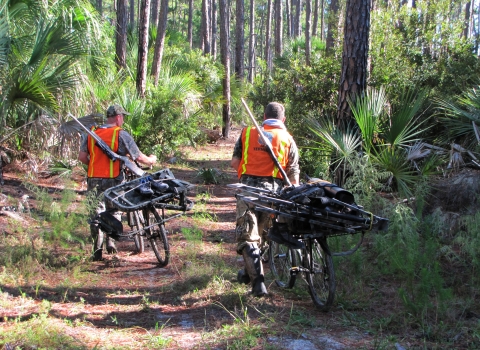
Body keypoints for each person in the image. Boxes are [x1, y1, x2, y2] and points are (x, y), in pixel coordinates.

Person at [230, 102, 300, 297]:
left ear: (263, 116)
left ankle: (258, 284)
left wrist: (248, 173)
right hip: (273, 196)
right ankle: (249, 274)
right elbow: (293, 175)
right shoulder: (288, 139)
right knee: (261, 235)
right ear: (283, 119)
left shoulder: (247, 133)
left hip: (248, 191)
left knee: (248, 237)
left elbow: (235, 162)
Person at [78, 104, 157, 261]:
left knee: (96, 213)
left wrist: (96, 164)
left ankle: (97, 248)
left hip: (94, 178)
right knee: (114, 210)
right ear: (119, 117)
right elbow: (138, 157)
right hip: (114, 178)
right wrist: (150, 160)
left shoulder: (91, 133)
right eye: (123, 117)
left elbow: (82, 158)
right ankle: (111, 242)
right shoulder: (120, 134)